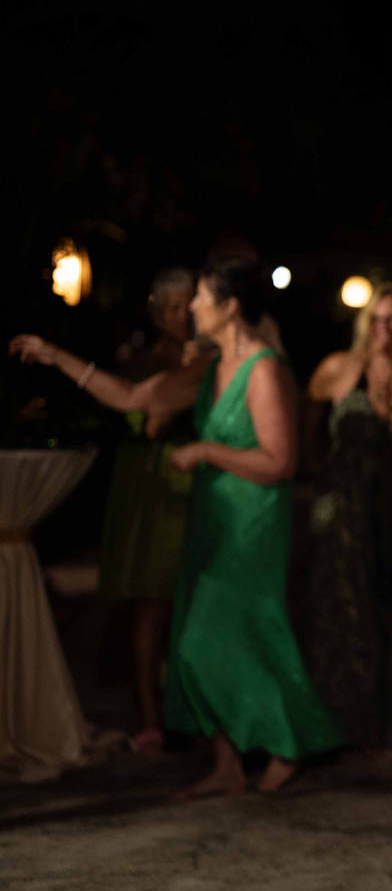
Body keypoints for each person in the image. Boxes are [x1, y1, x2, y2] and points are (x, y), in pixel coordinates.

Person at [166, 258, 341, 797]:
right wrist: (59, 360)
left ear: (229, 306)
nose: (192, 306)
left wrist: (206, 450)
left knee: (211, 641)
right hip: (215, 520)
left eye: (201, 296)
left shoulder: (263, 369)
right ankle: (227, 764)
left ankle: (287, 742)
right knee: (213, 642)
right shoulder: (213, 365)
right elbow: (139, 397)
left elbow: (280, 462)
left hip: (252, 523)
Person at [12, 268, 197, 753]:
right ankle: (151, 712)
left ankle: (193, 711)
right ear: (157, 312)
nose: (184, 317)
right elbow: (146, 415)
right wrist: (57, 357)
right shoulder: (145, 363)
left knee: (194, 603)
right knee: (151, 601)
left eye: (190, 306)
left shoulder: (212, 359)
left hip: (199, 484)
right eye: (174, 308)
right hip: (154, 485)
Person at [299, 281, 392, 752]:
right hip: (344, 511)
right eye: (378, 319)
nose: (385, 329)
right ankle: (341, 723)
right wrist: (319, 479)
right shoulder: (338, 368)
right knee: (342, 610)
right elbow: (308, 428)